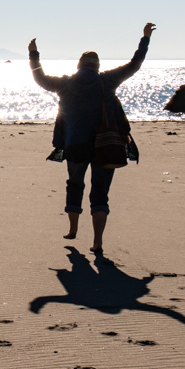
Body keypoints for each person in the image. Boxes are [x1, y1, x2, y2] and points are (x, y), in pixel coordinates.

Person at [28, 23, 156, 253]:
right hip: (104, 146)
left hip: (75, 145)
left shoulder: (65, 83)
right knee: (100, 192)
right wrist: (145, 39)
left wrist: (33, 55)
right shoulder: (107, 80)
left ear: (79, 66)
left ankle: (73, 230)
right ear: (97, 66)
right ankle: (97, 241)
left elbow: (41, 79)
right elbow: (135, 65)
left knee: (74, 184)